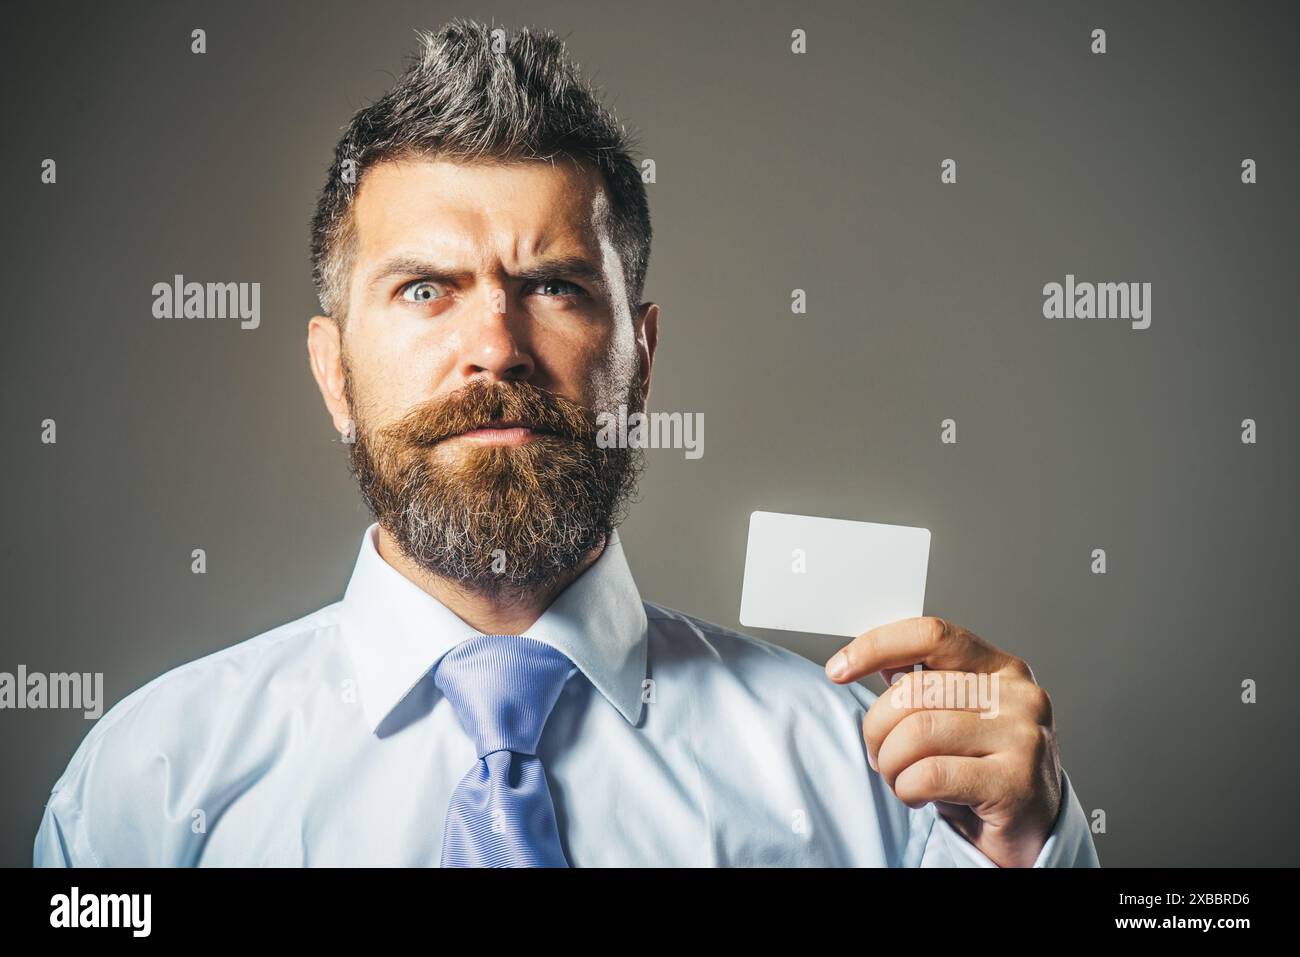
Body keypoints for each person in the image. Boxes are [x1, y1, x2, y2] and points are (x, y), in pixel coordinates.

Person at [34, 19, 1097, 867]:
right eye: (422, 289)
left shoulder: (870, 777)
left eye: (551, 287)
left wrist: (1028, 854)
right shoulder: (148, 784)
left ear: (639, 354)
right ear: (331, 371)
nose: (494, 349)